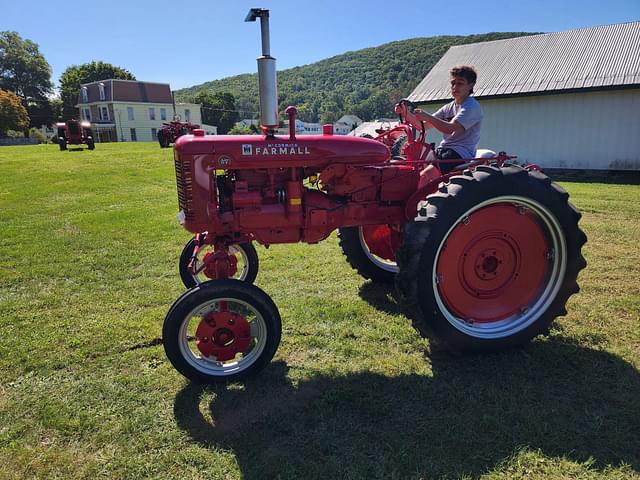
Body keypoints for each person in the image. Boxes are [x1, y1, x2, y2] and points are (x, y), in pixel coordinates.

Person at [395, 65, 483, 186]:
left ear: (471, 85)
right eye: (453, 83)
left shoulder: (471, 107)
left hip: (459, 153)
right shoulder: (450, 106)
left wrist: (427, 116)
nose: (455, 87)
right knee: (409, 171)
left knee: (425, 177)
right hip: (444, 150)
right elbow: (423, 126)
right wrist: (405, 112)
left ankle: (418, 204)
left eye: (460, 83)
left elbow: (450, 128)